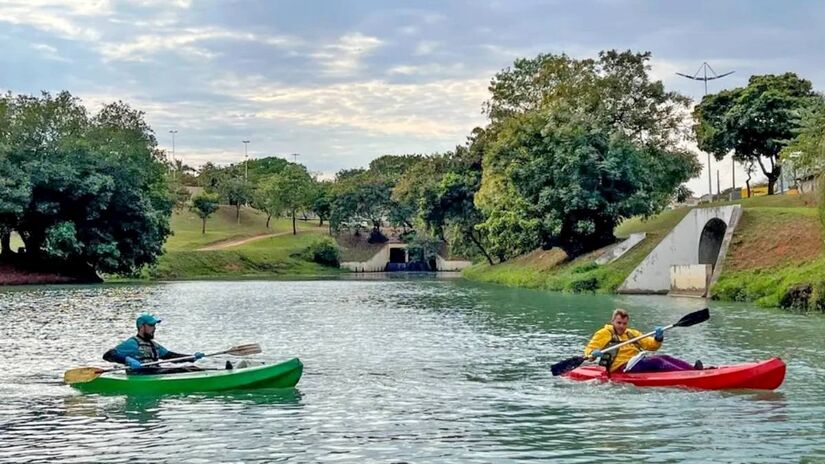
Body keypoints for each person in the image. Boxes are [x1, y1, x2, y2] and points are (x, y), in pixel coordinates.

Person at [584, 308, 701, 373]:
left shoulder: (631, 333)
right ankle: (688, 374)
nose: (621, 326)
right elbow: (589, 350)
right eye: (618, 323)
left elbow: (652, 346)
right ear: (612, 321)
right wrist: (593, 353)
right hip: (620, 367)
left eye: (624, 323)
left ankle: (693, 370)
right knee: (657, 362)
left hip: (635, 362)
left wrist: (658, 337)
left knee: (665, 358)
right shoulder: (604, 333)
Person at [103, 314, 205, 374]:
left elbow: (171, 356)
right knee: (183, 370)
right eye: (151, 325)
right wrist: (127, 359)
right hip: (141, 376)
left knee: (193, 368)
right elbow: (108, 355)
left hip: (156, 373)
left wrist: (192, 357)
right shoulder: (132, 343)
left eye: (154, 325)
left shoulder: (154, 345)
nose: (154, 328)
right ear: (142, 327)